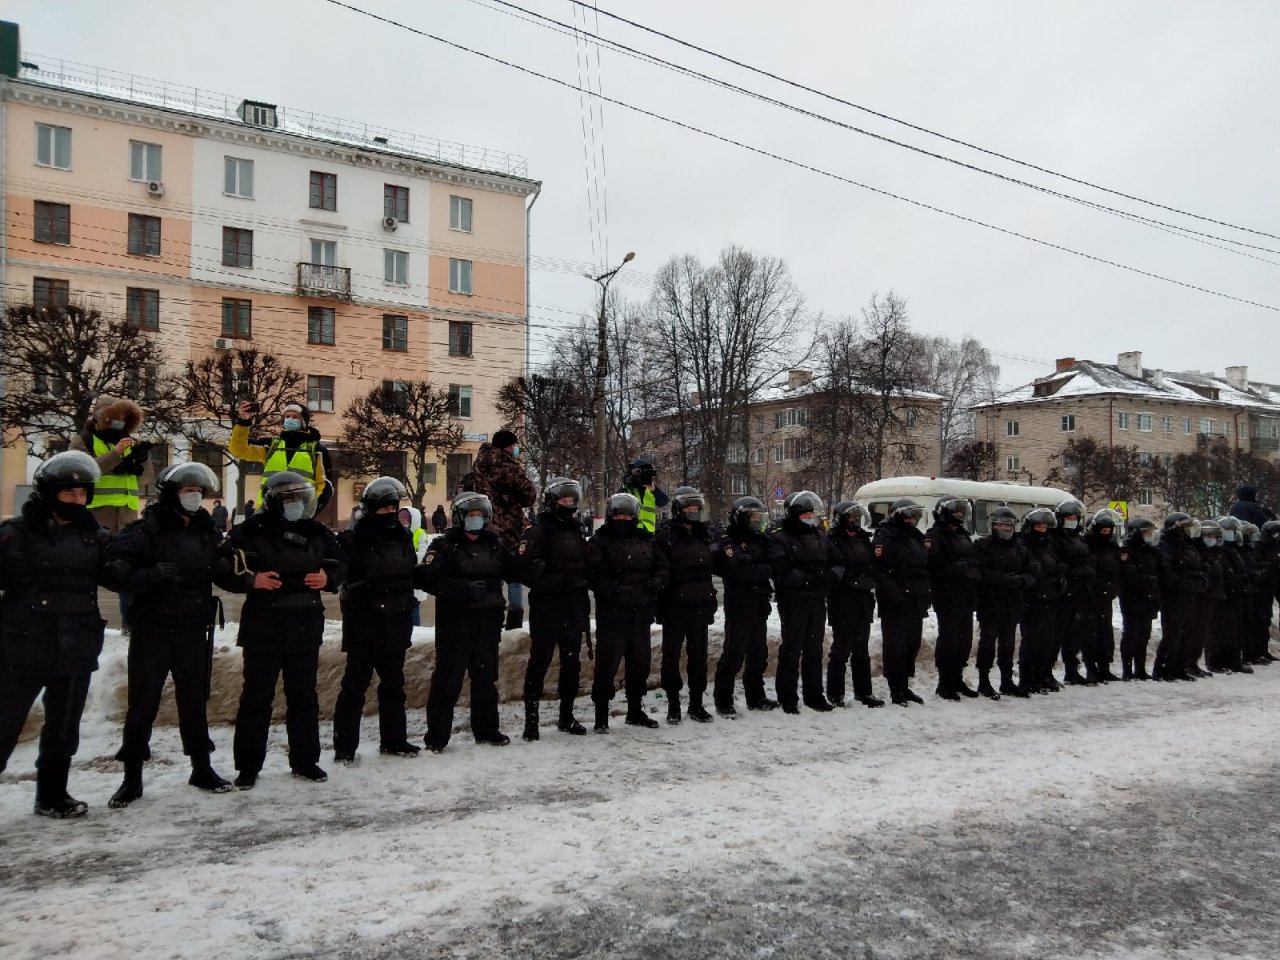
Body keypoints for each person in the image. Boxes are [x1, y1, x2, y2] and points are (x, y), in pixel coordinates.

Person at [103, 462, 233, 806]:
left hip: (194, 628)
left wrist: (241, 574)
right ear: (170, 495)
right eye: (187, 491)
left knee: (194, 701)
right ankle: (132, 776)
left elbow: (223, 570)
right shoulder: (145, 531)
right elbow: (116, 573)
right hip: (154, 630)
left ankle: (201, 766)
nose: (194, 497)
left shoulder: (206, 531)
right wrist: (149, 575)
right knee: (142, 703)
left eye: (198, 492)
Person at [216, 471, 347, 788]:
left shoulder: (316, 532)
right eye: (289, 500)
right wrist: (251, 580)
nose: (296, 506)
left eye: (301, 500)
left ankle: (305, 760)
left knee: (303, 696)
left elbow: (343, 562)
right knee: (257, 697)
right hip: (265, 622)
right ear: (275, 502)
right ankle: (248, 766)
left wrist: (328, 579)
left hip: (305, 622)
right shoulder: (251, 531)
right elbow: (221, 565)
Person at [0, 452, 111, 818]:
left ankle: (52, 794)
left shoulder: (95, 537)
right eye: (69, 494)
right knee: (5, 722)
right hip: (25, 641)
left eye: (82, 494)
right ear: (50, 493)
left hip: (76, 642)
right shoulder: (15, 534)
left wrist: (146, 572)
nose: (77, 501)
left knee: (63, 727)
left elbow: (118, 574)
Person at [332, 477, 420, 765]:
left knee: (394, 684)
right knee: (355, 686)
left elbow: (410, 572)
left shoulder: (403, 536)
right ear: (370, 510)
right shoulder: (352, 540)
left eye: (392, 508)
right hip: (365, 623)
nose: (389, 515)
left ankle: (394, 739)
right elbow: (340, 576)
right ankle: (345, 747)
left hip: (396, 619)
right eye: (382, 509)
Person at [417, 492, 513, 752]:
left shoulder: (495, 545)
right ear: (460, 518)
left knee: (485, 679)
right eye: (471, 516)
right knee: (447, 681)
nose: (476, 520)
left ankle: (487, 730)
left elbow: (514, 568)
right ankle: (437, 737)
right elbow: (425, 577)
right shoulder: (444, 546)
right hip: (455, 624)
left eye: (480, 515)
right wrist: (462, 589)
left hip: (488, 623)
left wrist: (537, 567)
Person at [512, 477, 591, 741]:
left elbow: (585, 563)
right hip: (548, 608)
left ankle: (566, 717)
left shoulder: (577, 529)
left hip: (574, 607)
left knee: (572, 665)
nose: (568, 504)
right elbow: (521, 569)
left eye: (572, 500)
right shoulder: (537, 530)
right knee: (539, 663)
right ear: (552, 501)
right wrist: (552, 580)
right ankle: (531, 722)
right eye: (563, 500)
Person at [586, 493, 669, 732]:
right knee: (607, 665)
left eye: (627, 515)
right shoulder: (601, 541)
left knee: (640, 663)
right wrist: (614, 591)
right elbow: (594, 573)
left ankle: (635, 710)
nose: (623, 519)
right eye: (619, 515)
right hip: (613, 614)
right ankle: (601, 714)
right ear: (612, 516)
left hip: (640, 613)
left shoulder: (645, 540)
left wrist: (657, 582)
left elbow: (662, 566)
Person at [769, 491, 840, 713]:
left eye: (812, 513)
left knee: (814, 649)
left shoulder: (820, 536)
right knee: (792, 649)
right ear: (794, 514)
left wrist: (830, 577)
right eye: (806, 513)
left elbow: (837, 561)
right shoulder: (780, 537)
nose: (810, 517)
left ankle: (814, 695)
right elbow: (781, 570)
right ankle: (787, 696)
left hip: (817, 601)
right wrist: (808, 580)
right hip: (793, 601)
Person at [654, 486, 718, 724]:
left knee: (698, 657)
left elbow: (714, 564)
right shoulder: (666, 536)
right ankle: (673, 704)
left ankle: (696, 703)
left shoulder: (706, 533)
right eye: (688, 507)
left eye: (696, 507)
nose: (693, 511)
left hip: (700, 605)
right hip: (674, 606)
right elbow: (662, 569)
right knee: (671, 656)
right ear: (678, 509)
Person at [712, 496, 777, 715]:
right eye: (754, 516)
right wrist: (763, 569)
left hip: (759, 603)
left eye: (760, 516)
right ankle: (723, 700)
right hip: (739, 604)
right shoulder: (729, 541)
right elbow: (739, 570)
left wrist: (757, 566)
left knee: (759, 654)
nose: (758, 520)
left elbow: (775, 562)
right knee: (733, 654)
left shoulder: (761, 539)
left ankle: (756, 696)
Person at [468, 429, 536, 630]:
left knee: (492, 575)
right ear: (508, 446)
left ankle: (493, 619)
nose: (516, 450)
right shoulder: (508, 466)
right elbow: (529, 495)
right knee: (514, 576)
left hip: (485, 526)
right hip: (509, 526)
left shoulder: (479, 463)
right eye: (515, 446)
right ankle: (514, 624)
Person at [825, 501, 885, 708]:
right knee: (841, 651)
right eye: (852, 518)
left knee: (861, 651)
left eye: (858, 518)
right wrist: (852, 579)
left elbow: (872, 567)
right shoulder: (832, 540)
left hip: (863, 601)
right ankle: (835, 694)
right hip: (843, 601)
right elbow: (836, 570)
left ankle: (864, 692)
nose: (856, 521)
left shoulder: (862, 540)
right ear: (841, 518)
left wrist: (868, 580)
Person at [974, 505, 1037, 699]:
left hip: (1012, 603)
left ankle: (1006, 680)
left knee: (1008, 643)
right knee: (987, 643)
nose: (1005, 529)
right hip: (990, 602)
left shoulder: (1019, 547)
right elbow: (982, 572)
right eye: (1000, 525)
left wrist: (1022, 580)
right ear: (993, 526)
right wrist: (1006, 580)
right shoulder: (983, 545)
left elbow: (1033, 569)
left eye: (1008, 526)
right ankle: (983, 680)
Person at [925, 495, 981, 700]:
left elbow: (972, 559)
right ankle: (944, 682)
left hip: (965, 594)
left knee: (964, 640)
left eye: (962, 511)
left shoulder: (963, 534)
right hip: (947, 594)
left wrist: (972, 570)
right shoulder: (934, 536)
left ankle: (957, 678)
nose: (959, 514)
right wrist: (960, 568)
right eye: (956, 511)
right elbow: (934, 565)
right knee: (949, 640)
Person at [69, 394, 151, 533]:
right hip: (98, 513)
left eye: (123, 418)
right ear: (103, 417)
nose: (120, 421)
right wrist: (115, 455)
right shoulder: (84, 440)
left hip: (127, 514)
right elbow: (80, 473)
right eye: (116, 417)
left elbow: (145, 479)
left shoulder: (129, 442)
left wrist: (141, 461)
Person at [228, 400, 326, 508]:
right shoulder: (271, 446)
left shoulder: (315, 450)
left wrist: (309, 507)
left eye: (295, 417)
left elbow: (322, 485)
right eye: (287, 416)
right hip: (267, 511)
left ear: (303, 422)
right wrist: (243, 422)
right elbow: (238, 450)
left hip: (298, 513)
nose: (290, 419)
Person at [1154, 513, 1205, 682]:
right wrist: (1185, 583)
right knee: (1173, 634)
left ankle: (1179, 668)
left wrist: (1200, 580)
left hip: (1188, 595)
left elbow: (1197, 565)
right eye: (1185, 527)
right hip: (1173, 597)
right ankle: (1163, 669)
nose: (1188, 531)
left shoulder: (1187, 545)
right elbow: (1166, 573)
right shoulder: (1165, 545)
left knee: (1187, 633)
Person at [1018, 507, 1064, 694]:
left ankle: (1042, 674)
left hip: (1050, 599)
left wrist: (1060, 579)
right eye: (1039, 526)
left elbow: (1054, 567)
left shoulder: (1048, 546)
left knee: (1047, 640)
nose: (1042, 529)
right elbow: (1029, 571)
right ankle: (1027, 678)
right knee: (1032, 641)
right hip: (1032, 600)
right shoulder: (1023, 545)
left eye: (1045, 526)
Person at [1118, 517, 1161, 680]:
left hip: (1148, 599)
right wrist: (1148, 580)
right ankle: (1127, 670)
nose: (1150, 535)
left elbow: (1157, 571)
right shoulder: (1127, 551)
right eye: (1147, 533)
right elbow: (1128, 575)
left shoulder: (1151, 551)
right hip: (1132, 598)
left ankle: (1140, 669)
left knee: (1144, 635)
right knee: (1131, 634)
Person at [1084, 508, 1123, 682]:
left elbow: (1117, 570)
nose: (1106, 534)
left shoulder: (1112, 546)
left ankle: (1105, 667)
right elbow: (1088, 569)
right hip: (1091, 596)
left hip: (1106, 595)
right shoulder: (1087, 545)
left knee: (1106, 634)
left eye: (1109, 531)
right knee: (1090, 633)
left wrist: (1113, 587)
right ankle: (1091, 668)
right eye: (1103, 530)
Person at [619, 458, 670, 535]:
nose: (644, 477)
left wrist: (654, 490)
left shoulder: (650, 490)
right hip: (630, 535)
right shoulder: (626, 489)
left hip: (648, 535)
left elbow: (664, 502)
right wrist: (630, 483)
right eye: (641, 473)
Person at [398, 506, 427, 626]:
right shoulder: (397, 534)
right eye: (401, 519)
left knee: (413, 612)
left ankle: (416, 632)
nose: (403, 522)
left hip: (414, 578)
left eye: (406, 519)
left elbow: (422, 555)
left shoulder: (420, 534)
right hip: (400, 578)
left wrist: (404, 557)